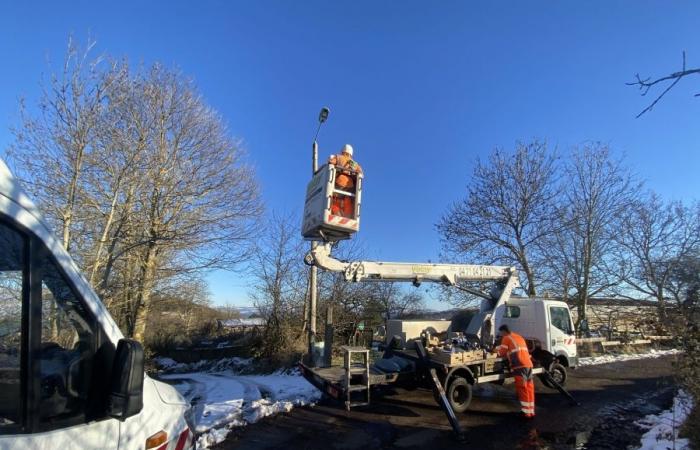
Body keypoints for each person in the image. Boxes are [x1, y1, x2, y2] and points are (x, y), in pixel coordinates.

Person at [494, 324, 535, 418]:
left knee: (522, 389)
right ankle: (531, 411)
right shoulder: (519, 337)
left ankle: (526, 413)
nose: (501, 335)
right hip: (528, 364)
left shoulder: (506, 338)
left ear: (504, 331)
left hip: (519, 366)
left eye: (501, 333)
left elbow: (502, 352)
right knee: (529, 388)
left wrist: (494, 350)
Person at [328, 144, 362, 217]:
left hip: (340, 182)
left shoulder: (338, 157)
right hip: (350, 186)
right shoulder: (354, 163)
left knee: (334, 199)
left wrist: (330, 159)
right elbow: (361, 172)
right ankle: (347, 216)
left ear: (342, 151)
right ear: (351, 153)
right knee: (347, 200)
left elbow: (330, 162)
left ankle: (336, 213)